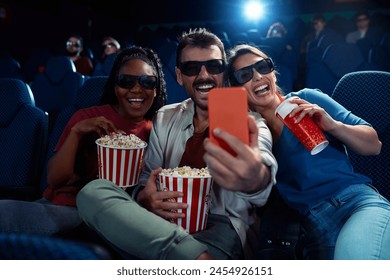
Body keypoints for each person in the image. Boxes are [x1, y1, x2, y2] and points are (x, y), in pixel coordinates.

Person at [76, 28, 277, 260]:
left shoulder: (251, 122)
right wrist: (144, 197)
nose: (204, 76)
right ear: (180, 76)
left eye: (214, 66)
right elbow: (146, 177)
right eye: (192, 68)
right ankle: (197, 260)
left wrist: (254, 177)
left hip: (221, 225)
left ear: (223, 72)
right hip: (159, 223)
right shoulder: (165, 117)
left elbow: (261, 174)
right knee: (93, 191)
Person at [226, 43, 390, 260]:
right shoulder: (251, 134)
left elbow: (374, 145)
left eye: (263, 67)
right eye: (244, 74)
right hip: (310, 226)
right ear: (236, 89)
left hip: (355, 203)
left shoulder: (307, 99)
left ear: (273, 73)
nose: (257, 76)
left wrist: (332, 125)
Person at [0, 46, 167, 237]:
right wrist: (76, 133)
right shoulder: (88, 117)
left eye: (147, 82)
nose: (136, 89)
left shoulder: (159, 130)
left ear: (156, 89)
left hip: (110, 215)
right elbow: (54, 180)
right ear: (115, 86)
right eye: (126, 81)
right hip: (66, 206)